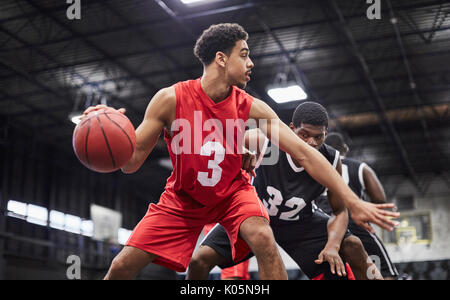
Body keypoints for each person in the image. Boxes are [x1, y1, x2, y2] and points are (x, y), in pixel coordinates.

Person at [82, 23, 398, 280]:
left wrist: (353, 200)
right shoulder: (170, 99)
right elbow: (130, 164)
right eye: (244, 55)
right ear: (221, 58)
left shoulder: (252, 108)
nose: (251, 64)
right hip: (182, 198)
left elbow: (304, 153)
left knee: (263, 238)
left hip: (233, 193)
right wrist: (108, 129)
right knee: (121, 268)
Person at [187, 102, 384, 280]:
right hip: (254, 218)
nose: (311, 143)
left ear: (326, 134)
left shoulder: (332, 159)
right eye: (304, 135)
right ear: (291, 129)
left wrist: (333, 245)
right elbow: (214, 140)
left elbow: (339, 211)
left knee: (354, 245)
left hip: (300, 223)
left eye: (318, 137)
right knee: (198, 261)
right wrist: (238, 148)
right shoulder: (266, 142)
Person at [315, 133, 399, 280]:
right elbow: (380, 200)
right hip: (353, 224)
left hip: (322, 228)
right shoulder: (359, 167)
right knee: (383, 274)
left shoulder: (313, 168)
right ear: (345, 148)